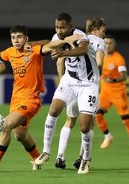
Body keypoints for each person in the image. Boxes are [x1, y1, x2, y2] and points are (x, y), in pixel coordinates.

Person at [0, 24, 81, 173]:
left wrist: (65, 40)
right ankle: (38, 158)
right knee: (20, 135)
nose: (16, 40)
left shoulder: (34, 50)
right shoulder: (10, 52)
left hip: (31, 100)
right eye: (13, 37)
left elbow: (49, 44)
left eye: (19, 37)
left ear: (26, 39)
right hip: (16, 99)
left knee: (6, 125)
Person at [34, 13, 100, 174]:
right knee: (53, 110)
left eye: (63, 27)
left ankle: (86, 159)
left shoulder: (80, 35)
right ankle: (46, 151)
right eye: (57, 27)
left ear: (70, 26)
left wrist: (62, 53)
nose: (59, 30)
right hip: (69, 80)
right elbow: (50, 43)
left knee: (84, 126)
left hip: (89, 83)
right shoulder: (57, 36)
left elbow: (83, 49)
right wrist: (29, 44)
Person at [53, 18, 106, 170]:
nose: (104, 33)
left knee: (69, 120)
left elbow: (59, 62)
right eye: (103, 30)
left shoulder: (72, 38)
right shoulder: (98, 42)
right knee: (88, 124)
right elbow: (100, 63)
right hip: (88, 85)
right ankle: (82, 157)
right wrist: (96, 75)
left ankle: (60, 156)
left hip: (70, 84)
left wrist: (63, 80)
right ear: (95, 30)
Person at [94, 36, 129, 150]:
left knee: (125, 119)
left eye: (110, 43)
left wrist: (113, 80)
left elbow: (124, 76)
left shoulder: (118, 59)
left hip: (118, 93)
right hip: (105, 93)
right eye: (106, 43)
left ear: (115, 45)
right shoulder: (100, 56)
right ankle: (107, 136)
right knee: (97, 115)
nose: (108, 45)